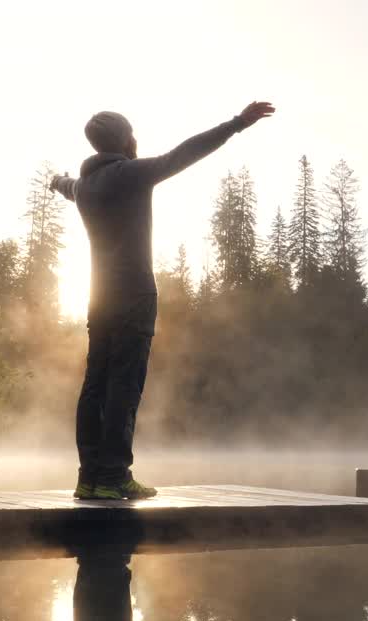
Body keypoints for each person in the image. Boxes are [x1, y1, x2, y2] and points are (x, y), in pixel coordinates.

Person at [52, 102, 275, 500]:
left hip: (98, 299)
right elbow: (184, 154)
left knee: (95, 385)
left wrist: (57, 180)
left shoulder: (85, 187)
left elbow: (67, 186)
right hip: (134, 296)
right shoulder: (131, 174)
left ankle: (90, 477)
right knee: (125, 384)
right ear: (124, 139)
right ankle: (115, 476)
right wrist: (238, 124)